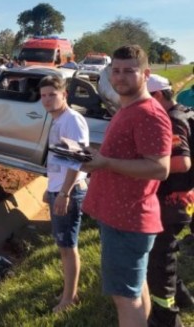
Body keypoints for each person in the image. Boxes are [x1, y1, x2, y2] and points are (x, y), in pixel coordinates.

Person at [81, 45, 173, 327]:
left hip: (128, 220)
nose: (119, 78)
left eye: (128, 71)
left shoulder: (148, 114)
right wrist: (97, 156)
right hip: (121, 217)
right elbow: (126, 154)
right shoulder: (128, 107)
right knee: (136, 288)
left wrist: (105, 163)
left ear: (145, 74)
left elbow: (160, 168)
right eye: (115, 71)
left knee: (125, 297)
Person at [145, 74, 194, 327]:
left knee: (160, 259)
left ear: (158, 96)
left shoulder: (172, 120)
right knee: (168, 249)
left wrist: (147, 165)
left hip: (171, 201)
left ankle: (166, 317)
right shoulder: (186, 112)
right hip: (184, 198)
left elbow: (181, 162)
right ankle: (184, 298)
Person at [39, 74, 89, 313]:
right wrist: (50, 190)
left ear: (64, 95)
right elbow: (60, 159)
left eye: (52, 95)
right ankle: (69, 292)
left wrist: (64, 193)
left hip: (68, 191)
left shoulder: (72, 120)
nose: (47, 100)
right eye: (43, 96)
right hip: (57, 189)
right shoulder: (59, 119)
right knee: (64, 245)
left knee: (68, 247)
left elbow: (76, 161)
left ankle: (69, 299)